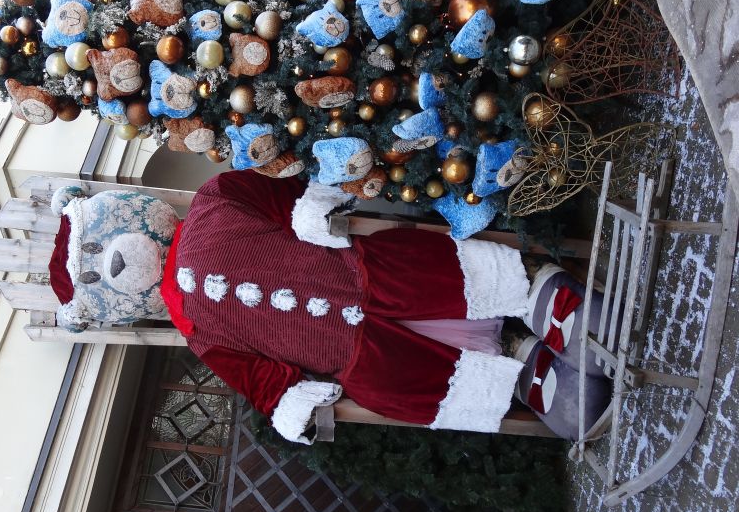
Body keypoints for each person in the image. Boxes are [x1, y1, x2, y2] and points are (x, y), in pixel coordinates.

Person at [47, 169, 608, 443]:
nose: (111, 263)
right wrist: (286, 402)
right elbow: (258, 378)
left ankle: (535, 291)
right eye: (94, 272)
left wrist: (309, 210)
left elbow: (282, 193)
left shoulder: (217, 198)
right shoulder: (199, 334)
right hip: (348, 355)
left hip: (357, 272)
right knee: (394, 384)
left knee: (423, 271)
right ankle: (520, 374)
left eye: (98, 247)